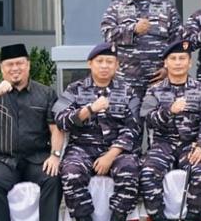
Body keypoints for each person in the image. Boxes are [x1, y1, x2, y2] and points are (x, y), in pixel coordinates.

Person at [53, 43, 141, 221]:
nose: (104, 66)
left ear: (117, 66)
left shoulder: (128, 92)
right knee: (71, 172)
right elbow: (60, 120)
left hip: (116, 150)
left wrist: (110, 155)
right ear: (90, 64)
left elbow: (134, 127)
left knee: (130, 169)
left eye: (110, 62)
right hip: (81, 148)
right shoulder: (74, 89)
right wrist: (89, 109)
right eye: (100, 61)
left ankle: (118, 216)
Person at [140, 39, 201, 221]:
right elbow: (147, 118)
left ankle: (192, 217)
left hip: (191, 145)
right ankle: (159, 217)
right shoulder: (154, 91)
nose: (178, 62)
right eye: (173, 58)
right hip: (162, 144)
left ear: (190, 62)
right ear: (165, 63)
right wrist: (169, 111)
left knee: (200, 171)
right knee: (148, 173)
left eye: (182, 58)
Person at [0, 44, 62, 221]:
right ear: (2, 68)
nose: (15, 68)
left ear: (28, 65)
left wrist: (55, 155)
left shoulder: (45, 93)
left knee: (53, 179)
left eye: (19, 63)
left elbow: (56, 128)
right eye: (9, 64)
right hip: (2, 159)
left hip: (37, 158)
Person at [100, 0, 182, 97]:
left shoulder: (167, 7)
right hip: (126, 80)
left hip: (159, 79)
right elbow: (107, 34)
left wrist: (168, 68)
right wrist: (132, 30)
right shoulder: (117, 7)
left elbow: (178, 41)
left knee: (159, 116)